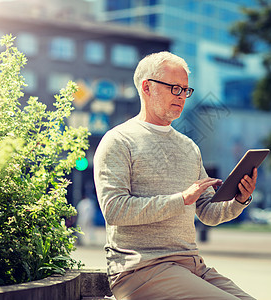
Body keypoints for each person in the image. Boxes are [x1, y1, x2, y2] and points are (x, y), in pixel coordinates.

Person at [93, 51, 257, 300]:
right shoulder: (118, 141)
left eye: (186, 90)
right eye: (174, 89)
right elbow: (114, 210)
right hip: (142, 270)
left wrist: (239, 200)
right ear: (147, 87)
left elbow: (207, 212)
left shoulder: (189, 147)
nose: (182, 97)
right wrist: (180, 199)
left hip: (192, 266)